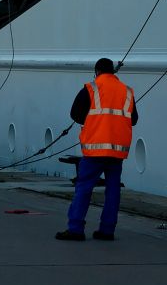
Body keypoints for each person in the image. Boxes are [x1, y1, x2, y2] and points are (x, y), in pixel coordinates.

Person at [55, 57, 139, 241]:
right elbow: (133, 119)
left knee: (84, 187)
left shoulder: (90, 88)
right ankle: (107, 230)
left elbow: (75, 114)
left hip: (95, 149)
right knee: (113, 189)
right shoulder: (127, 91)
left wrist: (94, 123)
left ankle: (76, 229)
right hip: (117, 151)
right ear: (112, 72)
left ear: (97, 72)